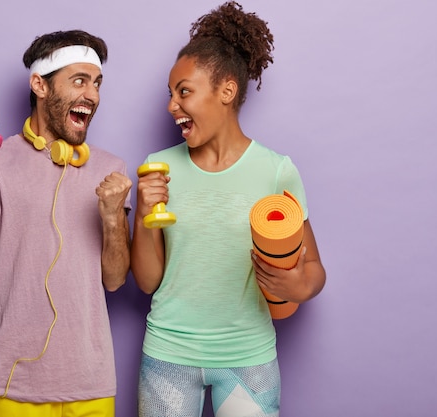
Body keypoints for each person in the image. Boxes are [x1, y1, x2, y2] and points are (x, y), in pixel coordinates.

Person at [131, 3, 326, 416]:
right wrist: (145, 216)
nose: (171, 105)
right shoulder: (159, 169)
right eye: (170, 94)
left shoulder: (276, 171)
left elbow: (314, 271)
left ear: (226, 90)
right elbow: (148, 282)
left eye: (184, 91)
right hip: (168, 354)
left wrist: (297, 288)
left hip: (248, 355)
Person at [0, 29, 132, 417]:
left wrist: (114, 218)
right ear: (40, 85)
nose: (93, 95)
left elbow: (115, 279)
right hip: (12, 385)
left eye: (97, 83)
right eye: (79, 81)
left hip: (91, 380)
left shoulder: (110, 170)